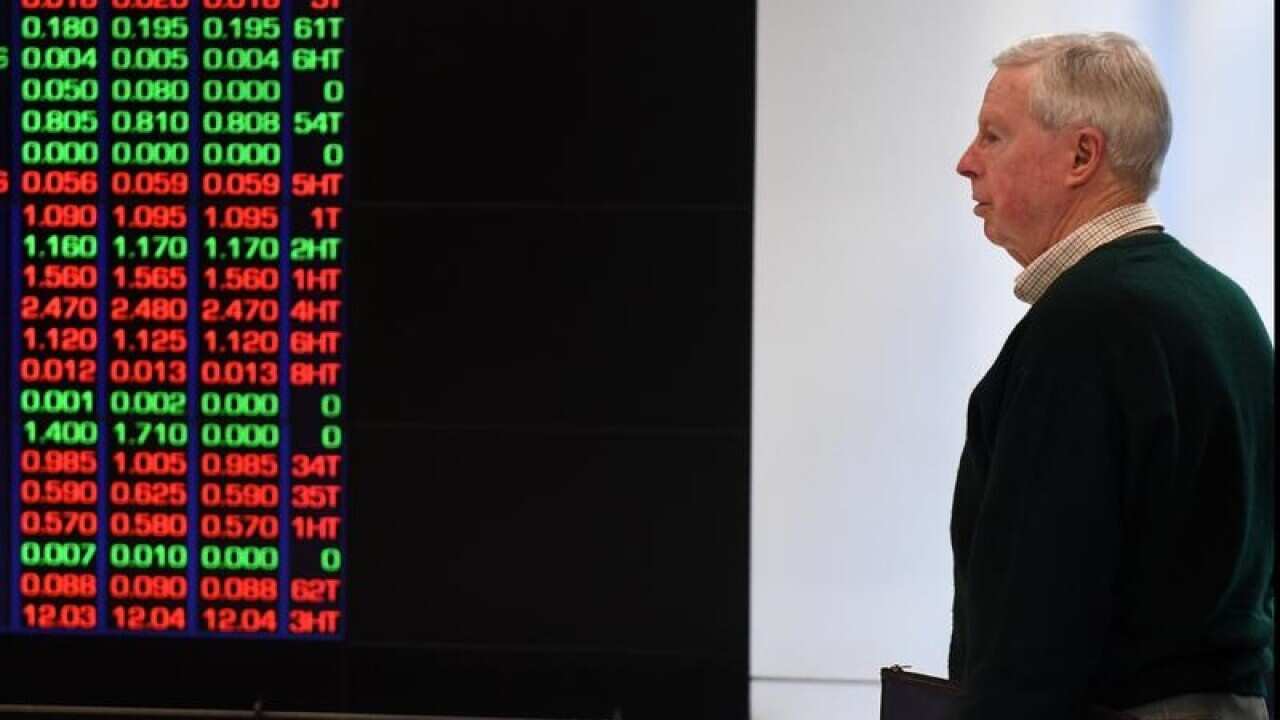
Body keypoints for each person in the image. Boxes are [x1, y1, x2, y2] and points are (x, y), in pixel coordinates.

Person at [949, 32, 1274, 720]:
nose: (966, 163)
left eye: (993, 136)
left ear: (1082, 155)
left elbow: (1037, 610)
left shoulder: (1086, 326)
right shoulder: (1226, 307)